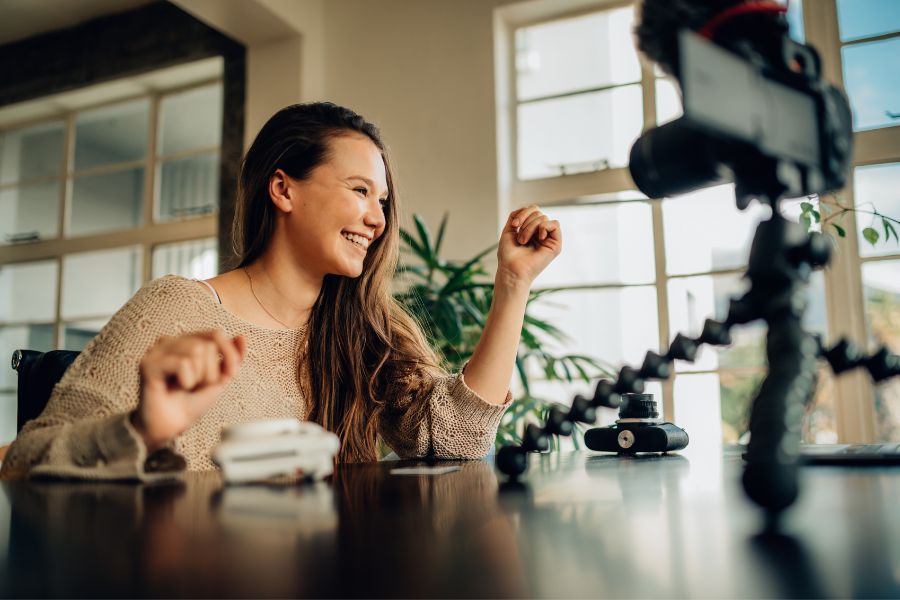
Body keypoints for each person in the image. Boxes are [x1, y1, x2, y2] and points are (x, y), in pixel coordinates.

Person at [0, 102, 562, 481]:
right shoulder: (175, 310)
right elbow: (25, 460)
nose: (378, 219)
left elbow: (454, 438)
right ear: (282, 188)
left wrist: (513, 284)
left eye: (383, 201)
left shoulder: (364, 330)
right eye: (360, 190)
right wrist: (142, 430)